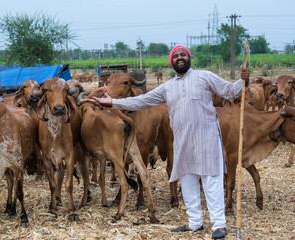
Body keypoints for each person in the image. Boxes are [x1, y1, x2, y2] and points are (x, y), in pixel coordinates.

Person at [92, 45, 250, 239]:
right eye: (176, 56)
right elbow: (143, 101)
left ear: (189, 58)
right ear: (171, 62)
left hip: (206, 136)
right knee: (187, 179)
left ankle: (218, 224)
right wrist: (113, 103)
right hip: (182, 139)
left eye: (183, 54)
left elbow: (230, 91)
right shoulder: (168, 86)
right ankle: (194, 222)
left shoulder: (204, 76)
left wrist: (244, 80)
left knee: (211, 179)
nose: (180, 58)